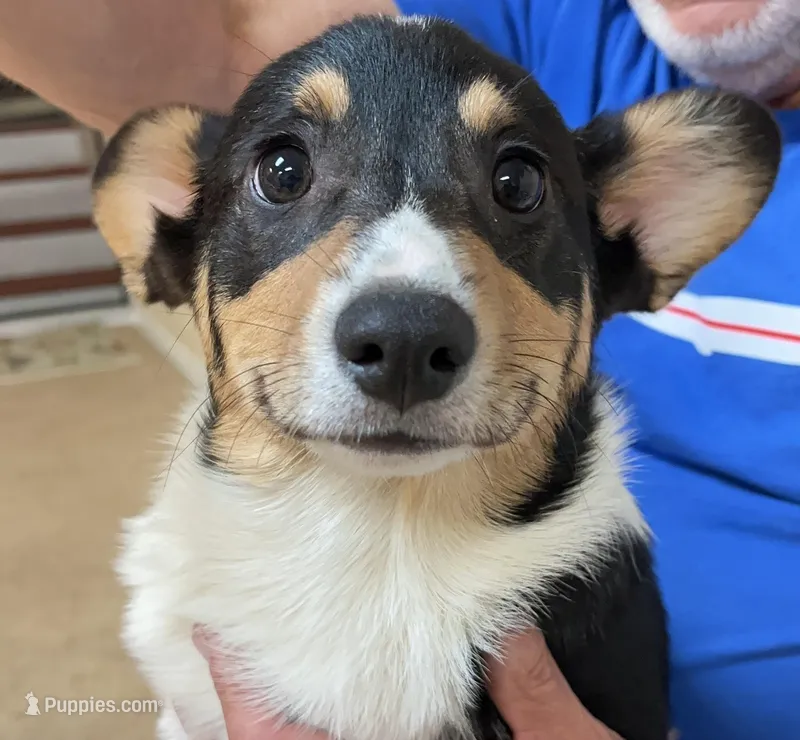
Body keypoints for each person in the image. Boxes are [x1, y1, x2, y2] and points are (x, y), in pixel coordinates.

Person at [2, 1, 798, 738]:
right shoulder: (551, 13)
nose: (404, 312)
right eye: (284, 174)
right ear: (172, 228)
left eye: (516, 188)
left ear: (622, 241)